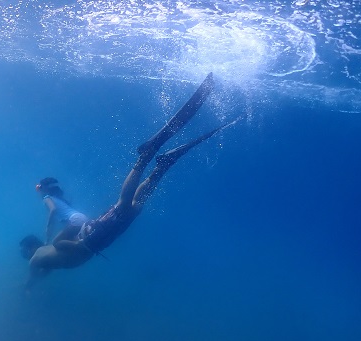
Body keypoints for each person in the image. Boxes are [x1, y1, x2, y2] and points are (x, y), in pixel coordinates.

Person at [20, 72, 239, 288]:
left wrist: (25, 290)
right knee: (133, 209)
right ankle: (161, 166)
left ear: (30, 249)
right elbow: (46, 268)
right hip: (95, 242)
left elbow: (38, 270)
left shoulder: (36, 257)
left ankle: (146, 157)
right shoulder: (45, 257)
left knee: (123, 207)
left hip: (91, 240)